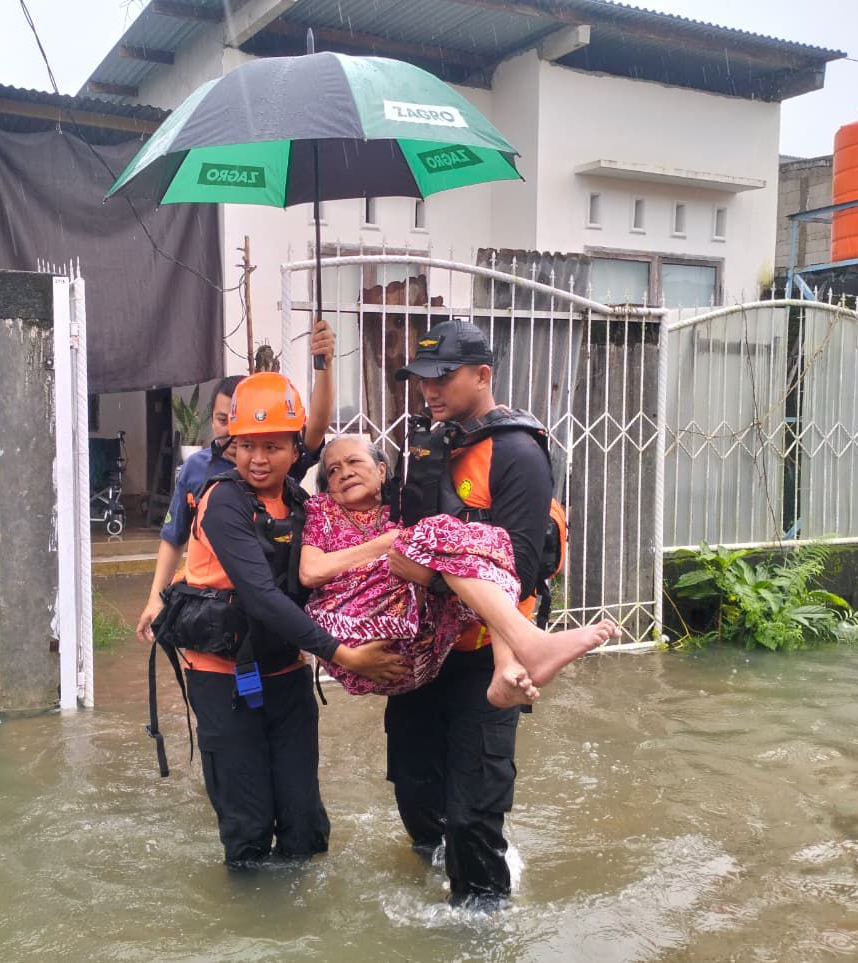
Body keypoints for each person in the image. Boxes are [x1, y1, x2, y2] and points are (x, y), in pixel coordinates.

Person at [150, 372, 405, 866]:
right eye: (247, 446)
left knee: (304, 827)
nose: (258, 459)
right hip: (224, 683)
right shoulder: (223, 501)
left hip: (286, 679)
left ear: (295, 449)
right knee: (247, 831)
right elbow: (264, 597)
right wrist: (344, 654)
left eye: (272, 447)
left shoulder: (301, 503)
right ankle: (253, 930)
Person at [385, 319, 592, 910]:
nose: (429, 389)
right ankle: (437, 871)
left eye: (443, 376)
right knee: (414, 789)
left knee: (474, 807)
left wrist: (425, 572)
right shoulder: (429, 445)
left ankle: (482, 917)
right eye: (422, 377)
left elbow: (522, 566)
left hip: (486, 663)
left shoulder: (518, 454)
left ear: (483, 375)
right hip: (423, 655)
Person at [299, 436, 616, 702]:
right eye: (334, 469)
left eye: (354, 462)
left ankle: (505, 666)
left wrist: (417, 561)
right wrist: (390, 542)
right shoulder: (323, 511)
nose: (344, 473)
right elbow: (311, 572)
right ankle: (528, 643)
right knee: (431, 534)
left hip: (415, 656)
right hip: (351, 639)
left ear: (381, 471)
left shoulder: (405, 505)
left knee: (485, 545)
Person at [136, 321, 336, 644]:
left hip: (270, 622)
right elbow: (173, 537)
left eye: (269, 445)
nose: (231, 433)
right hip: (216, 620)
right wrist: (155, 597)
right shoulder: (198, 470)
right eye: (222, 420)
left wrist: (324, 365)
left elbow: (315, 428)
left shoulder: (275, 469)